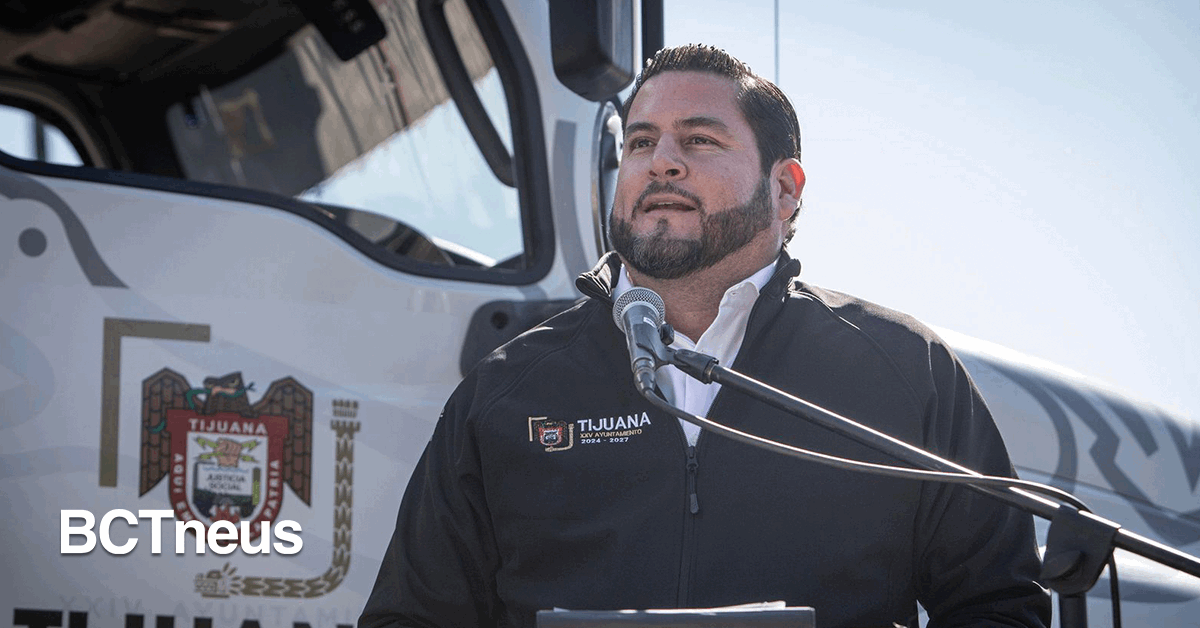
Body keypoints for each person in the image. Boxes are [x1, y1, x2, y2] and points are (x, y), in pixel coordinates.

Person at [361, 44, 1050, 628]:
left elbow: (999, 607)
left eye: (699, 140)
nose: (660, 162)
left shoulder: (903, 369)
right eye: (640, 142)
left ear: (785, 190)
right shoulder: (507, 389)